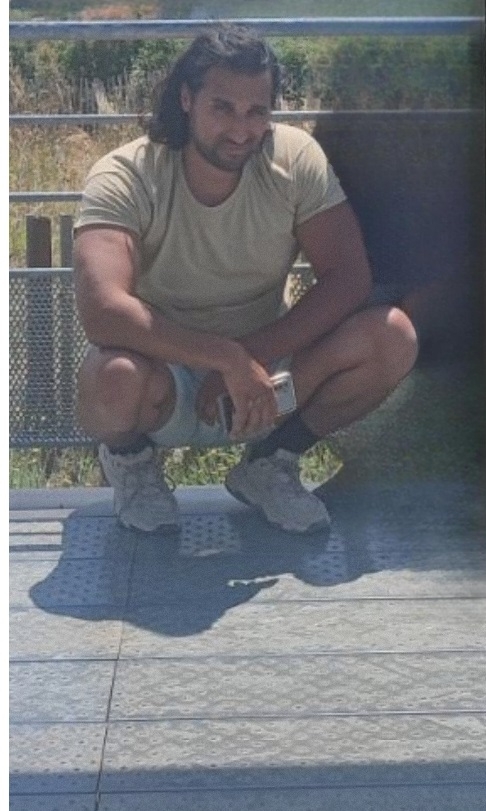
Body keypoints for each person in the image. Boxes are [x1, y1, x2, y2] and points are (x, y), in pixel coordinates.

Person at [73, 24, 418, 534]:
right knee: (110, 377)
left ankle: (272, 463)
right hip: (165, 375)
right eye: (222, 108)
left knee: (392, 336)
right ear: (186, 99)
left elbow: (349, 277)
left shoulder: (295, 159)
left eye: (257, 111)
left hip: (268, 375)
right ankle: (133, 466)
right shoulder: (125, 173)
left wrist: (250, 356)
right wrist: (225, 359)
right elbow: (102, 310)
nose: (241, 129)